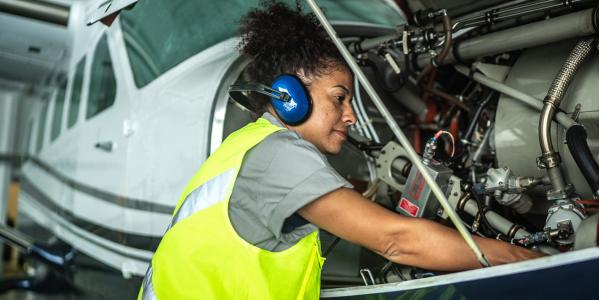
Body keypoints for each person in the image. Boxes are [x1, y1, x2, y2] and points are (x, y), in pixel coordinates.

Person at [138, 2, 542, 299]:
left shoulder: (247, 147)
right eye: (339, 98)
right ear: (289, 97)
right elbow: (396, 241)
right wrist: (521, 258)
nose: (350, 116)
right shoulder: (280, 155)